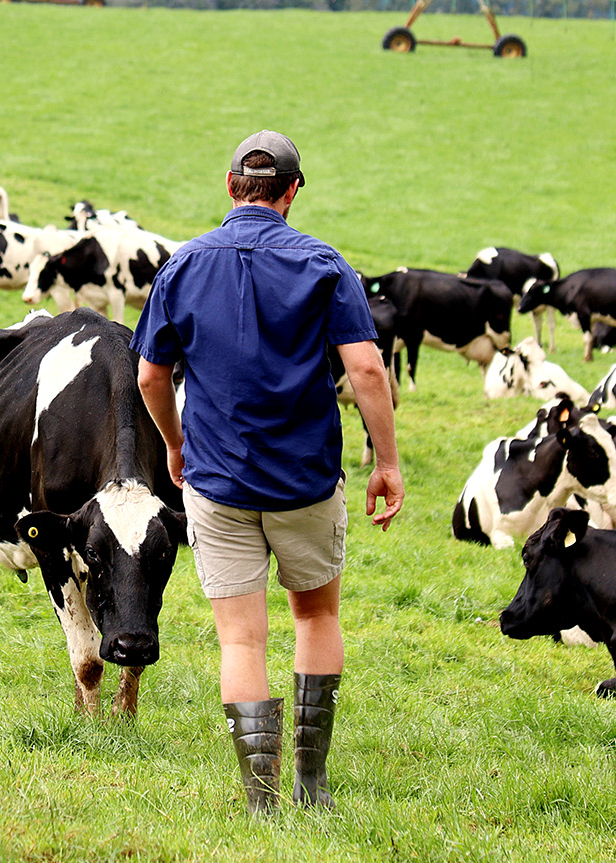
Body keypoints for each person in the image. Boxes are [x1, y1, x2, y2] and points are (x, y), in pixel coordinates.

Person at [133, 130, 404, 814]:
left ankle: (260, 800)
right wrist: (388, 462)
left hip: (217, 483)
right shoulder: (323, 263)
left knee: (241, 636)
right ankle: (311, 787)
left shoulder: (183, 264)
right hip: (306, 480)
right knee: (315, 614)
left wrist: (173, 443)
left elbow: (150, 373)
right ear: (291, 192)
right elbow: (368, 368)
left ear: (230, 187)